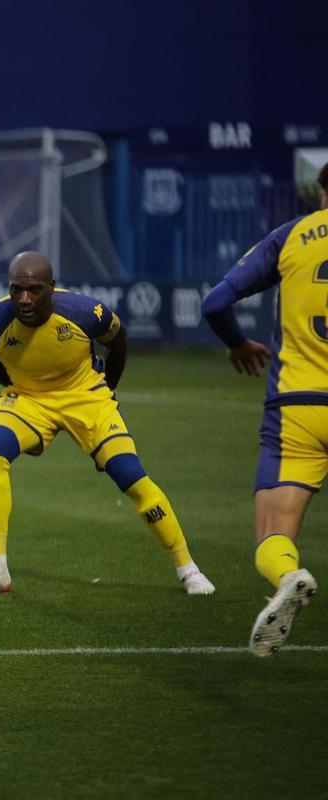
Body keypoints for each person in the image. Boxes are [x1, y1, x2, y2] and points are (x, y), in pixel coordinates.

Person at [0, 251, 216, 596]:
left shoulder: (86, 313)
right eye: (16, 290)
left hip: (86, 396)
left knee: (130, 475)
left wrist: (107, 390)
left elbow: (119, 341)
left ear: (51, 287)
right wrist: (23, 394)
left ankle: (189, 569)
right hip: (28, 397)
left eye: (35, 290)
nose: (24, 299)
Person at [200, 162, 328, 656]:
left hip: (298, 406)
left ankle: (289, 577)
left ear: (321, 190)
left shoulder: (292, 236)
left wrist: (237, 344)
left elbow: (215, 304)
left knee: (272, 535)